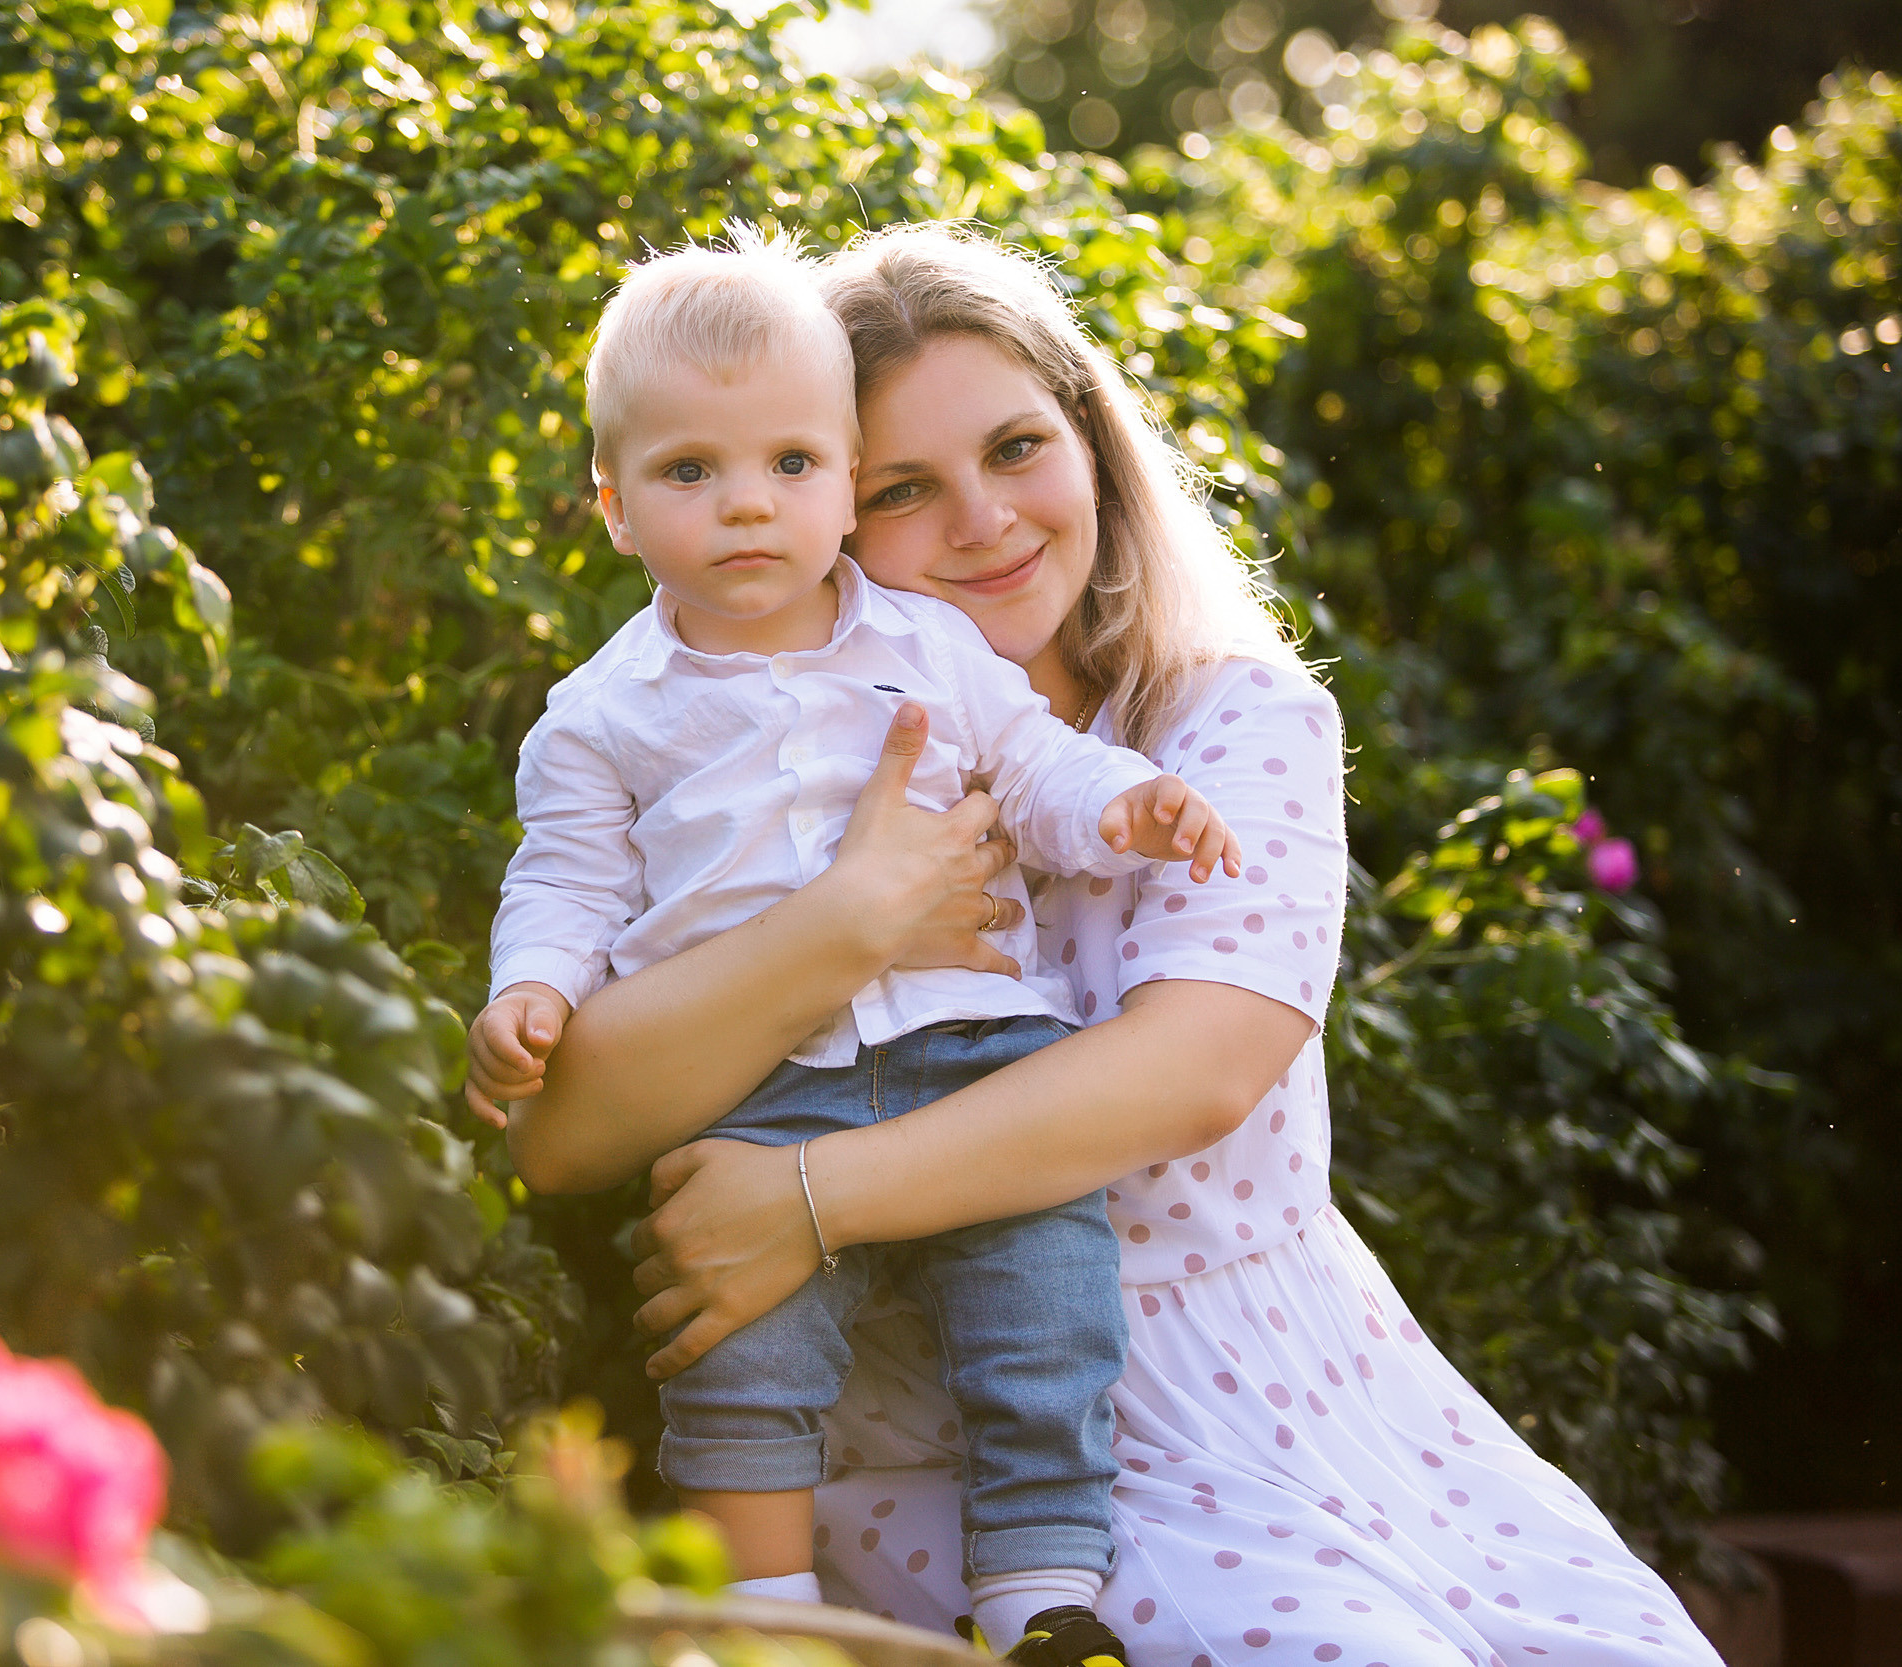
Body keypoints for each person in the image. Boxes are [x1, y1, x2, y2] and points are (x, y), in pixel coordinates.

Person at [506, 223, 1726, 1667]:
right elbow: (565, 1136)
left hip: (1268, 1395)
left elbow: (1189, 1076)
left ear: (1091, 440)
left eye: (1018, 447)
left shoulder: (1227, 727)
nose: (982, 520)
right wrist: (848, 924)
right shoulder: (734, 756)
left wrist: (809, 1198)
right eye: (907, 487)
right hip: (922, 1443)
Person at [469, 228, 1242, 1667]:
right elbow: (566, 880)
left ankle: (1038, 1602)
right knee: (740, 1353)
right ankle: (752, 1626)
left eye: (792, 467)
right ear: (615, 509)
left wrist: (1123, 806)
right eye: (689, 473)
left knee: (1047, 1299)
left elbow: (1032, 764)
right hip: (756, 1091)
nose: (746, 507)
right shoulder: (599, 714)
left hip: (972, 1050)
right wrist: (532, 990)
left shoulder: (927, 644)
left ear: (838, 473)